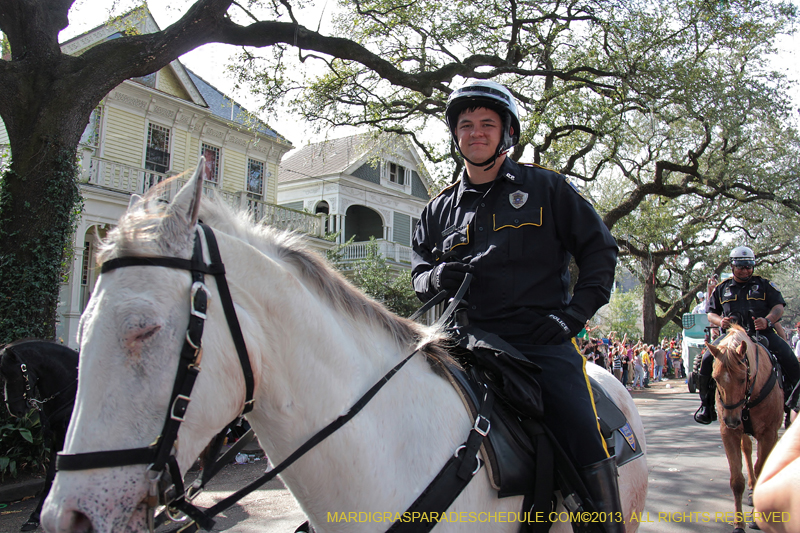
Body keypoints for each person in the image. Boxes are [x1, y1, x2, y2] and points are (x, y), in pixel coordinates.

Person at [411, 79, 622, 531]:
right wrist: (435, 277)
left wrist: (572, 317)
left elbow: (600, 252)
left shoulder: (547, 188)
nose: (475, 132)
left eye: (487, 123)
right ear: (455, 135)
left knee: (580, 426)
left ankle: (605, 524)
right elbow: (418, 273)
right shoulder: (437, 209)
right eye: (466, 124)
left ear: (507, 132)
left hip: (537, 343)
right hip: (460, 342)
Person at [694, 246, 800, 425]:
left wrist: (767, 321)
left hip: (761, 334)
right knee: (706, 360)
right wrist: (720, 321)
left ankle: (793, 406)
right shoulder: (722, 288)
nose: (745, 270)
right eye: (741, 266)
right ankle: (706, 406)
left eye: (748, 266)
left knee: (791, 360)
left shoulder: (764, 285)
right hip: (731, 337)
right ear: (732, 266)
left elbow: (778, 307)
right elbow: (710, 313)